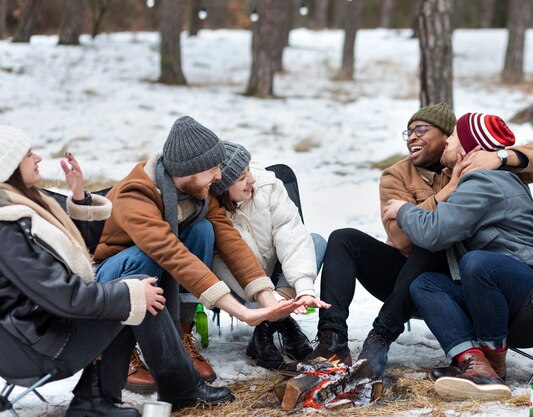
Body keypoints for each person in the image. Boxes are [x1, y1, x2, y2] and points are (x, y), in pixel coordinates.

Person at [299, 103, 533, 378]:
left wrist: (500, 157)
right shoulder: (396, 175)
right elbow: (403, 239)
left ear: (447, 136)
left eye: (421, 130)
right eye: (409, 132)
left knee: (440, 244)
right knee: (344, 238)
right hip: (407, 275)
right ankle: (332, 339)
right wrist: (447, 191)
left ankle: (381, 337)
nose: (412, 137)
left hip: (466, 277)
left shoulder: (481, 168)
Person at [0, 125, 234, 416]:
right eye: (27, 154)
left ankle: (99, 398)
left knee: (134, 290)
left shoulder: (25, 207)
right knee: (135, 292)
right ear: (8, 166)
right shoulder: (8, 227)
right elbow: (63, 295)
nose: (37, 158)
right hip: (35, 346)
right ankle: (167, 389)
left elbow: (74, 261)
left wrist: (79, 200)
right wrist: (128, 295)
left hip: (38, 329)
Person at [93, 116, 304, 392]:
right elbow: (170, 253)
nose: (219, 176)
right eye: (213, 168)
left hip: (156, 262)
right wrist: (241, 312)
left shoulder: (197, 193)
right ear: (190, 171)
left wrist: (266, 300)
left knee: (203, 231)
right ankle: (117, 349)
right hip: (108, 277)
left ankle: (181, 337)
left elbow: (231, 242)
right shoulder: (136, 194)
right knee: (148, 255)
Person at [382, 112, 533, 400]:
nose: (447, 140)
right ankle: (474, 362)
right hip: (502, 288)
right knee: (425, 284)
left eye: (453, 137)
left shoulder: (483, 182)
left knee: (478, 263)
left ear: (467, 149)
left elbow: (434, 233)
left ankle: (494, 363)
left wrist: (403, 210)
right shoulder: (477, 180)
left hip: (529, 289)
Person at [209, 142, 330, 370]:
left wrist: (303, 287)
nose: (251, 180)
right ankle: (282, 323)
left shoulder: (267, 185)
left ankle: (265, 329)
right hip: (240, 285)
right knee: (222, 261)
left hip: (276, 269)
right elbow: (222, 263)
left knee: (315, 242)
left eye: (249, 171)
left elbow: (290, 232)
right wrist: (267, 297)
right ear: (223, 186)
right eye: (242, 178)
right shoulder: (211, 211)